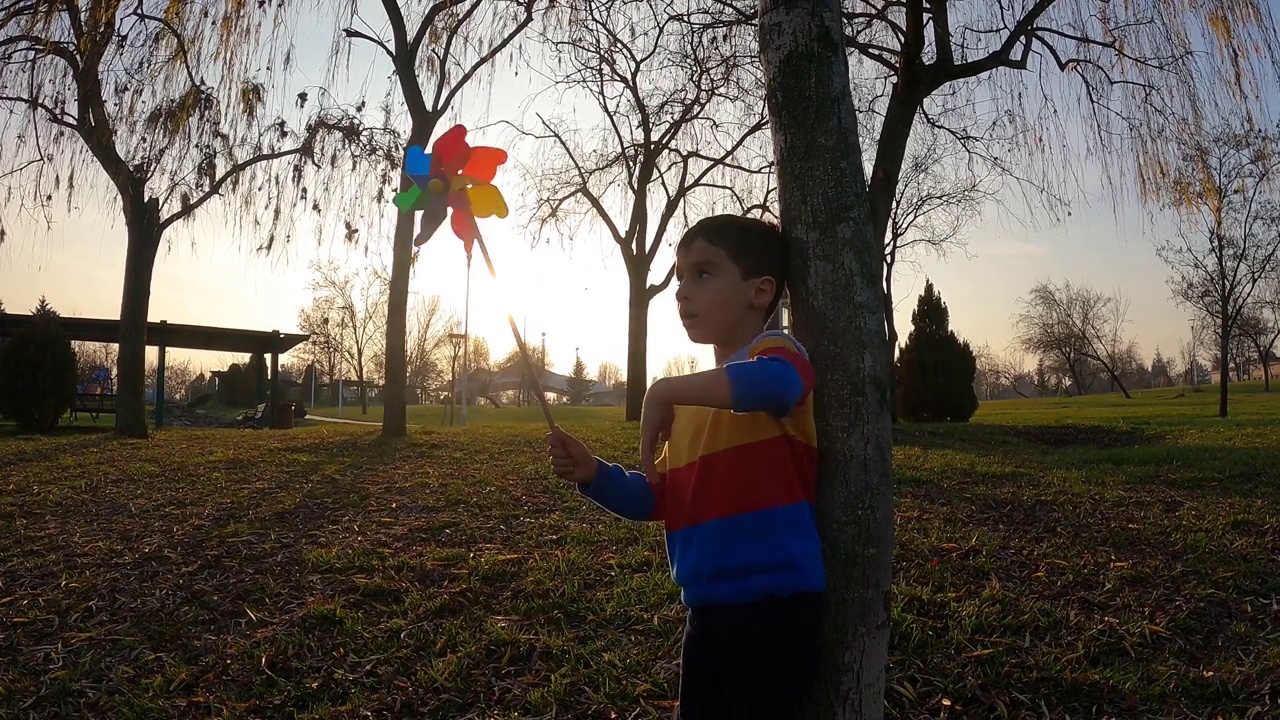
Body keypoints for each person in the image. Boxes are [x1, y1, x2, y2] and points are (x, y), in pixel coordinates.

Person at [546, 214, 823, 719]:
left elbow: (780, 385)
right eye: (678, 280)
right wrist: (595, 474)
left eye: (703, 274)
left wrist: (667, 388)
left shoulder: (775, 353)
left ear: (760, 292)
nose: (680, 293)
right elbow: (661, 495)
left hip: (776, 610)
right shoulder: (692, 404)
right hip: (705, 612)